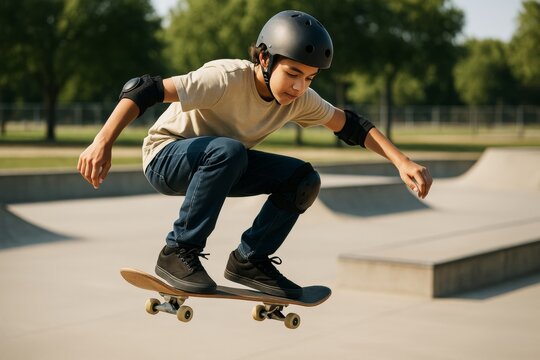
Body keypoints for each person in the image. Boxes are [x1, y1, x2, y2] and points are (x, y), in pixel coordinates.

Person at [78, 10, 432, 299]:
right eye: (292, 73)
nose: (298, 87)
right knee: (228, 151)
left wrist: (401, 161)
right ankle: (177, 252)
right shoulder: (225, 79)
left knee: (302, 179)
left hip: (222, 163)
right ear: (264, 57)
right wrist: (102, 142)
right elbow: (144, 89)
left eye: (309, 78)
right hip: (165, 157)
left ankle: (250, 259)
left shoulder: (300, 99)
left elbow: (351, 125)